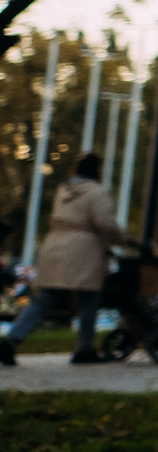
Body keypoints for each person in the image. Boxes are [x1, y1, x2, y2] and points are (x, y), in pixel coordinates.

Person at [0, 153, 124, 365]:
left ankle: (11, 340)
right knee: (89, 301)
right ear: (97, 170)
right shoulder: (96, 192)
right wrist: (123, 239)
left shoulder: (63, 191)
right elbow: (105, 224)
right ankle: (85, 348)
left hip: (55, 245)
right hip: (84, 249)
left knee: (45, 299)